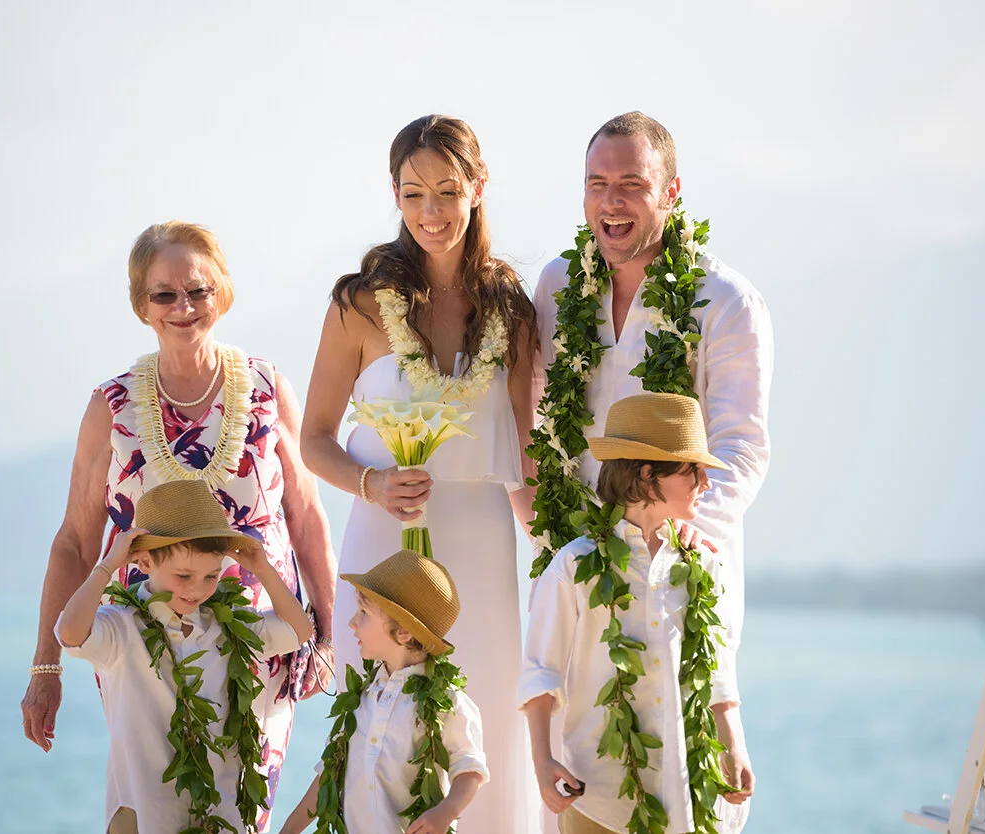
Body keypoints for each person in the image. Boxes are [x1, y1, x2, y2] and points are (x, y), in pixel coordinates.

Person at [23, 221, 337, 829]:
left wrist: (325, 633)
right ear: (142, 305)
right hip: (140, 653)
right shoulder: (111, 408)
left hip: (260, 644)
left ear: (222, 291)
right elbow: (74, 541)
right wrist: (45, 667)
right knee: (153, 805)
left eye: (198, 290)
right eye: (165, 294)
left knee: (242, 812)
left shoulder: (269, 389)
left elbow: (306, 514)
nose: (184, 307)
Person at [301, 115, 539, 831]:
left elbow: (527, 462)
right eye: (413, 195)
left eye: (446, 191)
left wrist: (560, 559)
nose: (431, 213)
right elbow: (311, 439)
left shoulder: (513, 312)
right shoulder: (359, 305)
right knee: (374, 733)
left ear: (478, 186)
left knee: (484, 725)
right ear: (395, 198)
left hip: (481, 545)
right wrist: (371, 484)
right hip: (382, 540)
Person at [532, 112, 773, 810]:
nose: (611, 201)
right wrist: (545, 521)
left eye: (632, 184)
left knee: (683, 777)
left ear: (671, 192)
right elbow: (540, 420)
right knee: (582, 776)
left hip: (682, 569)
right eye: (597, 184)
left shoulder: (724, 300)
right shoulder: (556, 285)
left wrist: (682, 528)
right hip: (580, 566)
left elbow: (742, 444)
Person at [520, 393, 754, 834]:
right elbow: (540, 670)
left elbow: (718, 670)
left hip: (682, 787)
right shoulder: (575, 565)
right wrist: (542, 760)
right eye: (692, 470)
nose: (705, 483)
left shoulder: (700, 565)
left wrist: (733, 745)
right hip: (598, 792)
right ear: (649, 474)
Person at [56, 480, 314, 834]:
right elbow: (69, 632)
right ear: (144, 560)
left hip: (217, 812)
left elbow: (299, 630)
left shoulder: (227, 625)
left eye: (211, 576)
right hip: (142, 810)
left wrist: (264, 570)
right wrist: (107, 566)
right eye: (183, 576)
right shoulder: (122, 627)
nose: (197, 589)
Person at [278, 549, 488, 834]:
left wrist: (446, 811)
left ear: (403, 632)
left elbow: (470, 769)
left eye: (364, 613)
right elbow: (330, 771)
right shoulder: (359, 700)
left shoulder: (448, 703)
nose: (352, 622)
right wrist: (290, 827)